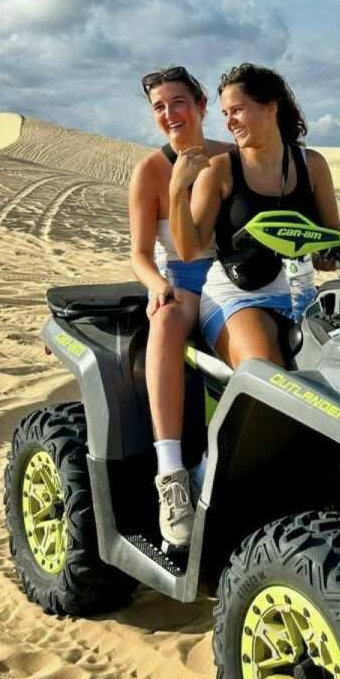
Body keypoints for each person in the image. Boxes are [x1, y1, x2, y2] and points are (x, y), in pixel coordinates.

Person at [170, 63, 340, 368]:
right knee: (267, 371)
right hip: (236, 297)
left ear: (270, 108)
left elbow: (330, 241)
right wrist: (176, 191)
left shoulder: (312, 165)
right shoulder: (219, 170)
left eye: (237, 110)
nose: (229, 122)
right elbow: (189, 250)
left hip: (303, 295)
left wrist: (328, 254)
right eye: (225, 113)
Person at [128, 66, 233, 549]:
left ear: (200, 105)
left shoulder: (231, 157)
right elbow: (139, 254)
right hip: (185, 282)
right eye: (159, 106)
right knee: (166, 320)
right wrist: (155, 286)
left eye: (178, 102)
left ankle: (220, 462)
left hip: (234, 280)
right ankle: (171, 476)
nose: (169, 114)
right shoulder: (150, 171)